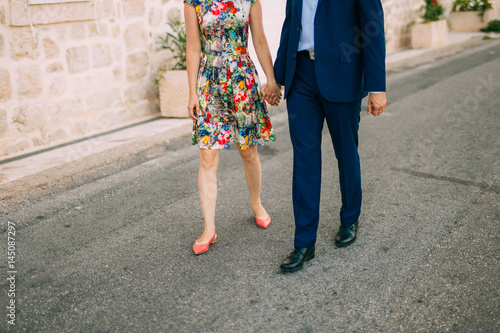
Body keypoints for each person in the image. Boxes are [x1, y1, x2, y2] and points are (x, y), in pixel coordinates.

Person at [269, 0, 388, 272]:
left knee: (346, 153)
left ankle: (349, 218)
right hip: (301, 78)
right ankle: (304, 242)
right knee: (304, 159)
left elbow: (373, 27)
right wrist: (277, 78)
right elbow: (290, 25)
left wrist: (376, 86)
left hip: (342, 74)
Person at [184, 0, 282, 255]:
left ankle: (256, 203)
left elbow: (259, 40)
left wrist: (271, 80)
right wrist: (192, 93)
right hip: (209, 82)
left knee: (248, 150)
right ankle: (209, 228)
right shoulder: (193, 2)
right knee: (207, 155)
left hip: (242, 79)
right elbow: (193, 48)